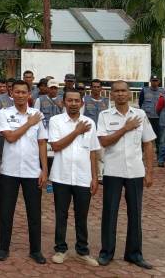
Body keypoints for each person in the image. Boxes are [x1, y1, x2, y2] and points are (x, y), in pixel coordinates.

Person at [96, 80, 156, 269]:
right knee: (110, 213)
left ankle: (134, 254)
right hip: (113, 170)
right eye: (117, 91)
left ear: (129, 93)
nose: (120, 94)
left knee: (135, 214)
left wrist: (149, 172)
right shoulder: (105, 115)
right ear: (111, 94)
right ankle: (106, 252)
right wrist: (124, 128)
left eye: (124, 90)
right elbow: (104, 141)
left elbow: (148, 143)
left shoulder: (140, 114)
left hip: (135, 171)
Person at [0, 80, 48, 264]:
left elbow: (42, 142)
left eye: (23, 92)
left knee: (34, 213)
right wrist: (28, 123)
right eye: (16, 92)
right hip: (9, 171)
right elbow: (10, 137)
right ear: (12, 93)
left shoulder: (37, 115)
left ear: (28, 94)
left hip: (32, 172)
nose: (19, 95)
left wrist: (44, 170)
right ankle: (3, 248)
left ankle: (36, 250)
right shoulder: (4, 113)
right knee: (6, 212)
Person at [48, 89, 100, 266]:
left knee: (82, 215)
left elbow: (93, 152)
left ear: (82, 103)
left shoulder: (90, 123)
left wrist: (95, 177)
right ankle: (60, 249)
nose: (73, 103)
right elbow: (55, 146)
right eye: (69, 100)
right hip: (61, 177)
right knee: (61, 214)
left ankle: (82, 251)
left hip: (83, 178)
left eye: (76, 101)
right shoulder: (56, 121)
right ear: (63, 102)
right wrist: (77, 131)